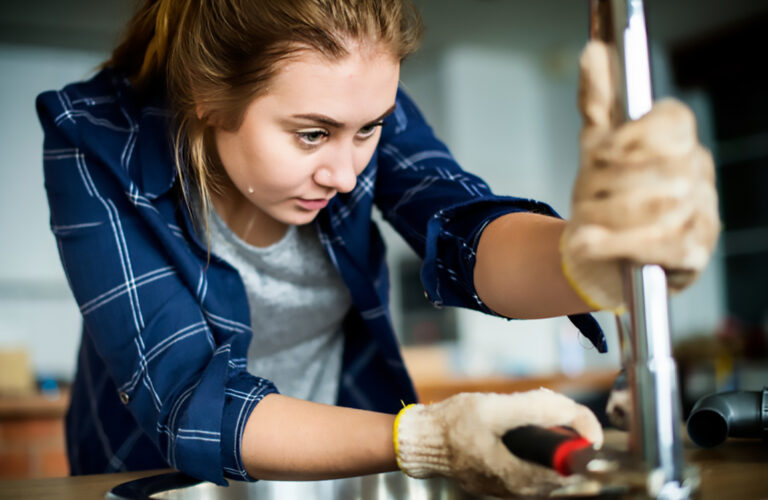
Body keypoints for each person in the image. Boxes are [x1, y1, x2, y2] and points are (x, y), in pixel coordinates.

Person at [35, 0, 718, 497]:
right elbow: (189, 397)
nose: (346, 173)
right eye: (311, 135)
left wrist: (583, 259)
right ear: (210, 99)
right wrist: (426, 438)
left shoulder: (354, 101)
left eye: (369, 132)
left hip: (337, 459)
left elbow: (461, 228)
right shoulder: (93, 138)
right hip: (157, 474)